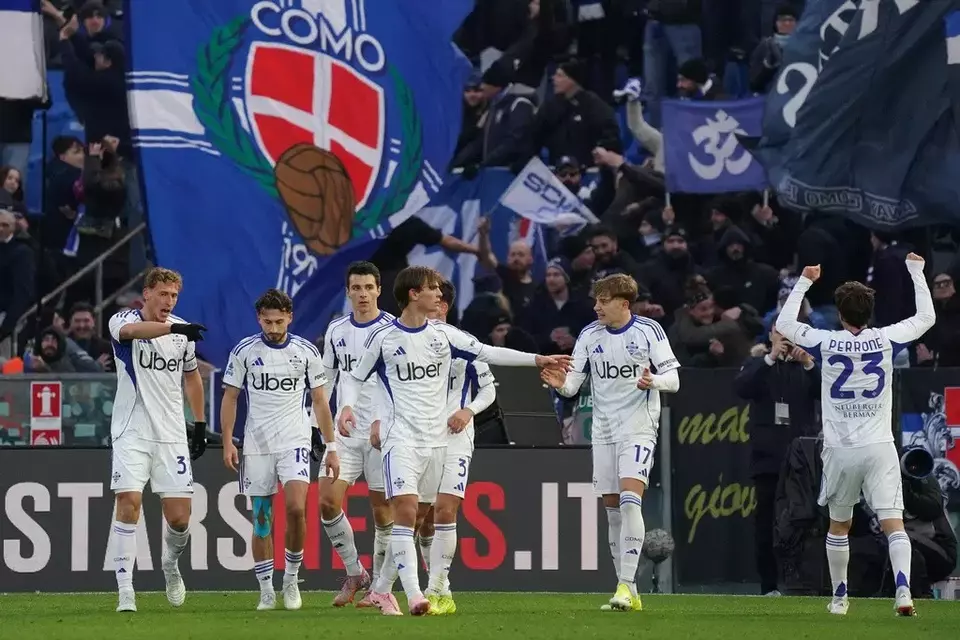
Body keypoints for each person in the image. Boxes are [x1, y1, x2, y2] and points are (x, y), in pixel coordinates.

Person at [337, 266, 570, 616]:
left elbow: (489, 352)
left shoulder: (446, 337)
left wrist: (537, 359)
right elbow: (355, 377)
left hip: (437, 442)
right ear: (414, 294)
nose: (438, 294)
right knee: (406, 511)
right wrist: (347, 407)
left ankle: (387, 589)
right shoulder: (383, 338)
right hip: (400, 439)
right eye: (431, 288)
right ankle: (415, 594)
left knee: (422, 516)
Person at [776, 253, 936, 617]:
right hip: (879, 446)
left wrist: (805, 280)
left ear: (839, 313)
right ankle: (904, 592)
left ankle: (839, 599)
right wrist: (916, 271)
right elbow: (926, 317)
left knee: (839, 524)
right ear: (870, 312)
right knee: (893, 522)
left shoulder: (825, 341)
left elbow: (785, 323)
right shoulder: (886, 339)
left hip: (840, 448)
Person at [541, 274, 680, 612]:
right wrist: (560, 384)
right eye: (596, 300)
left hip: (638, 427)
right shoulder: (589, 335)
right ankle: (628, 589)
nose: (596, 307)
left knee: (631, 501)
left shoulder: (649, 331)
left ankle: (625, 586)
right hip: (603, 431)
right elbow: (573, 386)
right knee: (613, 509)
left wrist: (653, 381)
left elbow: (674, 380)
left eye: (603, 301)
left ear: (624, 303)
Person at [220, 288, 339, 611]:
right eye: (267, 322)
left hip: (294, 441)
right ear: (259, 319)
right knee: (261, 519)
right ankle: (265, 589)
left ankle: (291, 579)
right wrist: (228, 440)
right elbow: (231, 397)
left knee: (297, 509)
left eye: (279, 322)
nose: (273, 328)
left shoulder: (306, 352)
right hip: (257, 445)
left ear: (290, 318)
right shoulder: (244, 351)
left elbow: (320, 401)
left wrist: (331, 446)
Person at [107, 267, 208, 613]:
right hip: (131, 430)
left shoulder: (182, 333)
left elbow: (192, 377)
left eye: (174, 295)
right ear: (147, 293)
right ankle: (126, 591)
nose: (169, 301)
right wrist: (175, 328)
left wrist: (199, 423)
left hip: (171, 435)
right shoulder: (123, 319)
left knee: (180, 519)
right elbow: (133, 332)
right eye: (163, 294)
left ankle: (170, 565)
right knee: (129, 502)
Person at [317, 261, 395, 607]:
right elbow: (326, 380)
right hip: (344, 433)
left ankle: (378, 586)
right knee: (327, 501)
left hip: (382, 433)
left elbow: (398, 384)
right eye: (356, 288)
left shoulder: (393, 329)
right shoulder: (336, 329)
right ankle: (355, 572)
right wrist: (318, 426)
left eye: (368, 287)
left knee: (383, 511)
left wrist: (384, 419)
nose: (363, 294)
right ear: (348, 292)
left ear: (378, 289)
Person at [418, 280, 498, 614]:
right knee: (423, 518)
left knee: (446, 510)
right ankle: (443, 588)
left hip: (456, 437)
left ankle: (435, 589)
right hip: (420, 437)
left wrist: (469, 411)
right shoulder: (409, 342)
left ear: (443, 306)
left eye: (433, 300)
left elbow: (489, 390)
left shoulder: (465, 344)